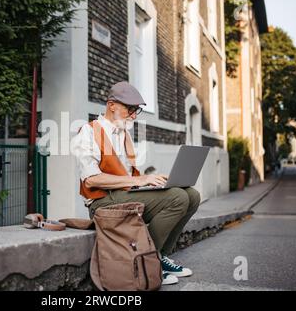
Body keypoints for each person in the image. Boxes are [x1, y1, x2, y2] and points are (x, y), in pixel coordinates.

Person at [71, 81, 201, 285]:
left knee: (192, 196)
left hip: (123, 195)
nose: (133, 115)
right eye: (129, 109)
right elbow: (92, 179)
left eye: (136, 110)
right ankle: (149, 261)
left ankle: (161, 256)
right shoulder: (88, 132)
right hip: (101, 203)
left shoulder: (124, 134)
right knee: (176, 198)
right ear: (111, 105)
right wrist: (139, 180)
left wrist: (154, 182)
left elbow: (128, 178)